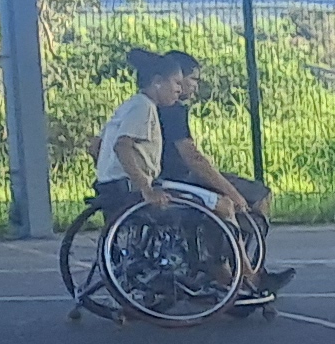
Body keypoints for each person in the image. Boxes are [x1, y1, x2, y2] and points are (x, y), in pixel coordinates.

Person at [93, 48, 287, 301]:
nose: (184, 88)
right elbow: (127, 146)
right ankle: (240, 274)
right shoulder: (150, 108)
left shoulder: (130, 106)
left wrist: (106, 174)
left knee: (220, 205)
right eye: (182, 81)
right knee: (228, 204)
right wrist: (146, 186)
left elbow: (97, 145)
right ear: (160, 81)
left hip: (119, 187)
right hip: (154, 184)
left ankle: (230, 269)